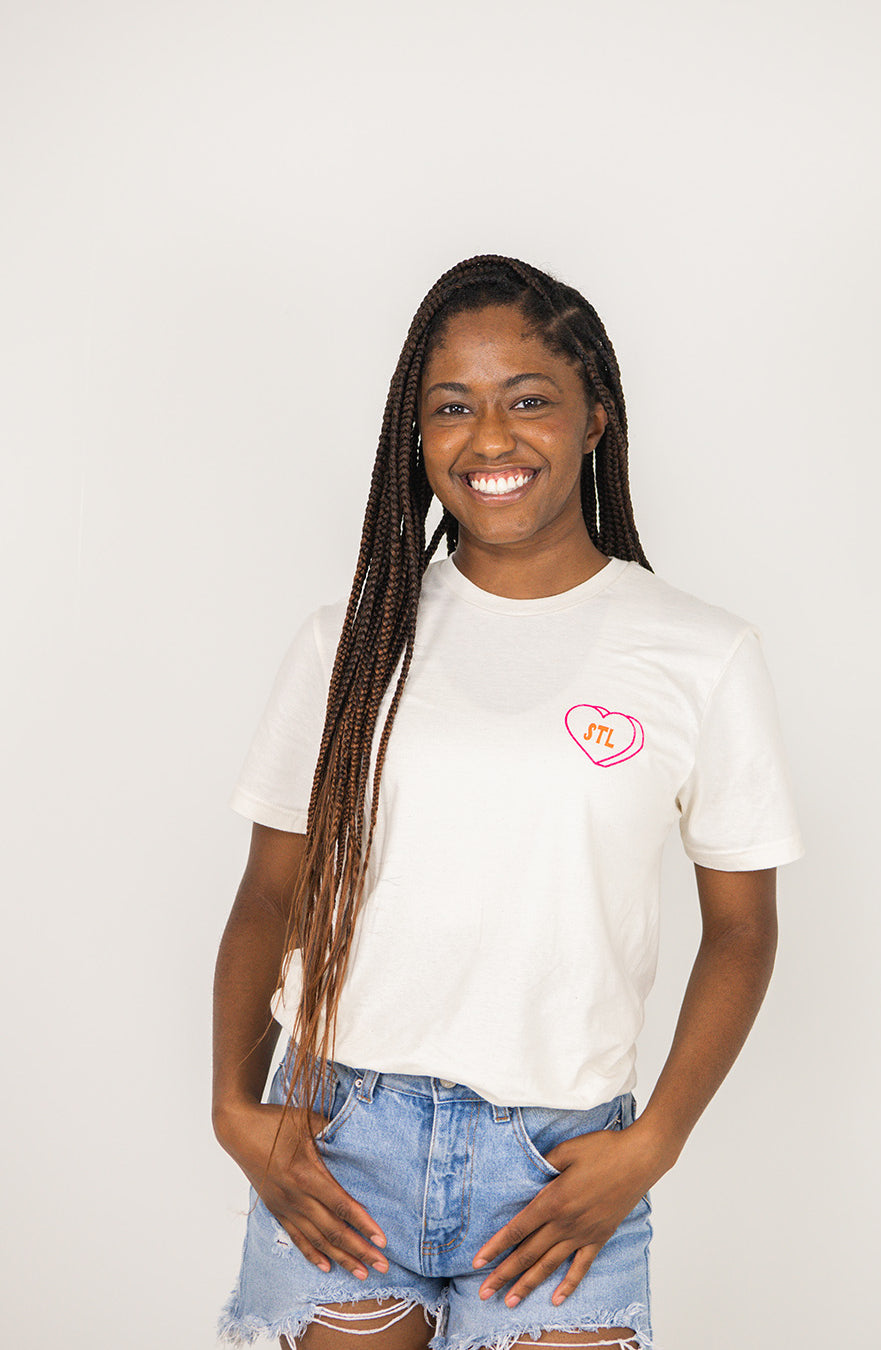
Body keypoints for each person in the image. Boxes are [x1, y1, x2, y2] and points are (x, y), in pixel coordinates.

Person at [212, 254, 805, 1350]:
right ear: (418, 435)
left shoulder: (698, 654)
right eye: (452, 408)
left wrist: (657, 1140)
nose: (490, 439)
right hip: (342, 1139)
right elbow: (269, 892)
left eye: (527, 398)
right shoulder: (352, 642)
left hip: (558, 1167)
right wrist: (234, 1111)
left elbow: (742, 929)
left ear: (594, 420)